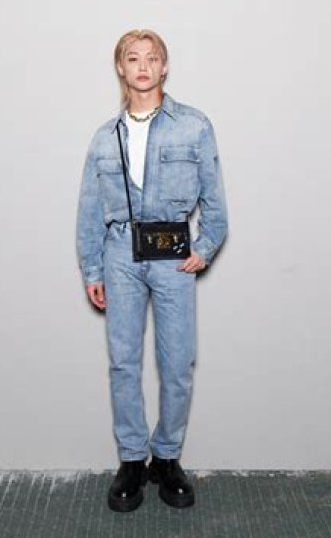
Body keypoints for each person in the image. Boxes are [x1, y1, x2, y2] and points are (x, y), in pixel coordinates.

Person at [77, 29, 228, 512]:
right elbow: (89, 209)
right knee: (123, 361)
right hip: (120, 253)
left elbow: (214, 197)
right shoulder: (105, 137)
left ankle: (166, 457)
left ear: (164, 67)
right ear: (120, 68)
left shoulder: (194, 126)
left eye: (152, 57)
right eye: (132, 58)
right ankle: (131, 460)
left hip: (172, 253)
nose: (142, 66)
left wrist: (205, 245)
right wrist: (92, 268)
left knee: (177, 363)